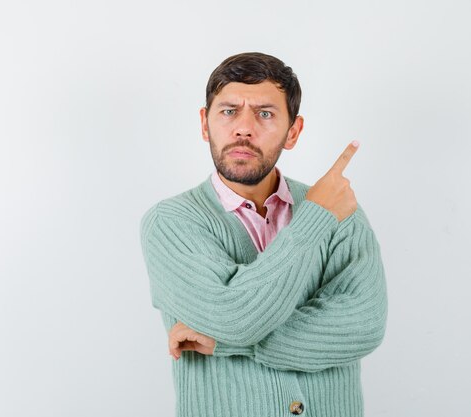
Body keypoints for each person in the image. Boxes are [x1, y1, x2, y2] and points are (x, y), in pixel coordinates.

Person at [140, 52, 387, 417]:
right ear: (205, 124)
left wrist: (223, 340)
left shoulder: (341, 210)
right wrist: (314, 218)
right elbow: (236, 319)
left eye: (265, 114)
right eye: (228, 111)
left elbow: (363, 326)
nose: (243, 127)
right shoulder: (171, 223)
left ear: (293, 132)